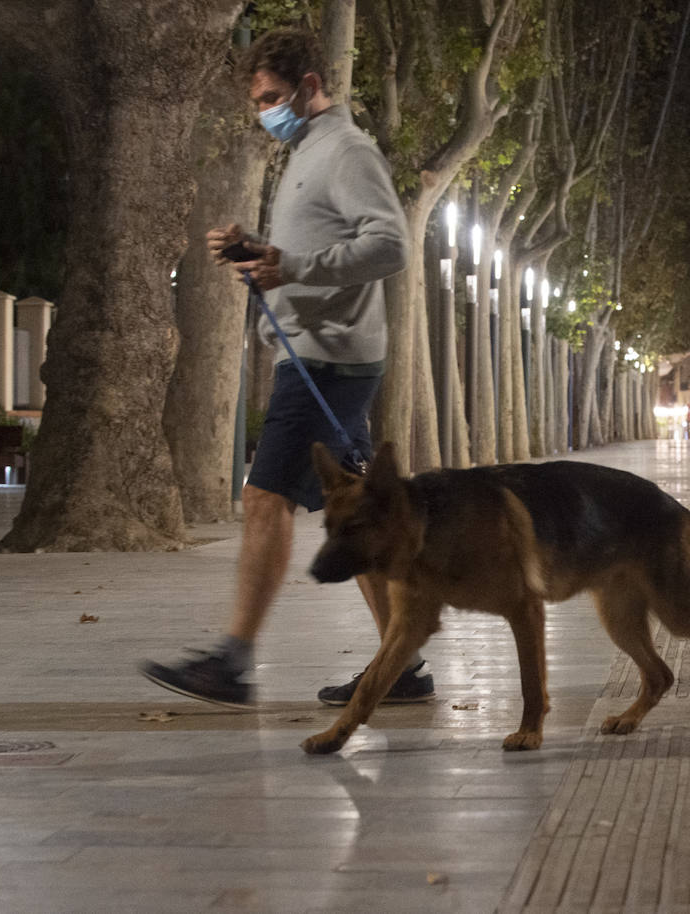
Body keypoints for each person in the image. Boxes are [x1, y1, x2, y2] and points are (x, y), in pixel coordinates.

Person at [140, 28, 433, 709]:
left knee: (263, 498)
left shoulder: (346, 150)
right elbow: (308, 253)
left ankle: (232, 663)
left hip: (328, 362)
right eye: (257, 102)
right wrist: (256, 251)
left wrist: (292, 266)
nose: (263, 112)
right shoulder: (305, 150)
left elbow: (389, 244)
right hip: (315, 354)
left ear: (309, 87)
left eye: (272, 97)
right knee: (354, 512)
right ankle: (404, 665)